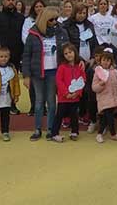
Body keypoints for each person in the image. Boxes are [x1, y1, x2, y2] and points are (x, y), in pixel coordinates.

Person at [21, 8, 69, 141]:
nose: (54, 22)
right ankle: (37, 129)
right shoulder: (34, 33)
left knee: (52, 102)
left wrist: (76, 63)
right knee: (38, 102)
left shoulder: (61, 32)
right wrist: (26, 75)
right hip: (37, 73)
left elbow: (68, 51)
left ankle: (50, 129)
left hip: (54, 72)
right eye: (51, 19)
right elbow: (26, 56)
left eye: (56, 19)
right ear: (44, 20)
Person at [0, 0, 25, 115]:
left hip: (15, 54)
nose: (11, 2)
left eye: (13, 0)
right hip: (0, 56)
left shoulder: (21, 18)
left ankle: (12, 104)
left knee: (12, 81)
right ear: (3, 2)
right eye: (8, 0)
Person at [92, 51, 117, 143]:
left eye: (108, 60)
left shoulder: (115, 72)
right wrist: (101, 84)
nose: (106, 62)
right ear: (100, 61)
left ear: (111, 62)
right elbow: (94, 88)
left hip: (114, 98)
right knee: (109, 116)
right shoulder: (98, 72)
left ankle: (99, 134)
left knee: (106, 118)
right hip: (104, 99)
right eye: (104, 60)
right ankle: (113, 134)